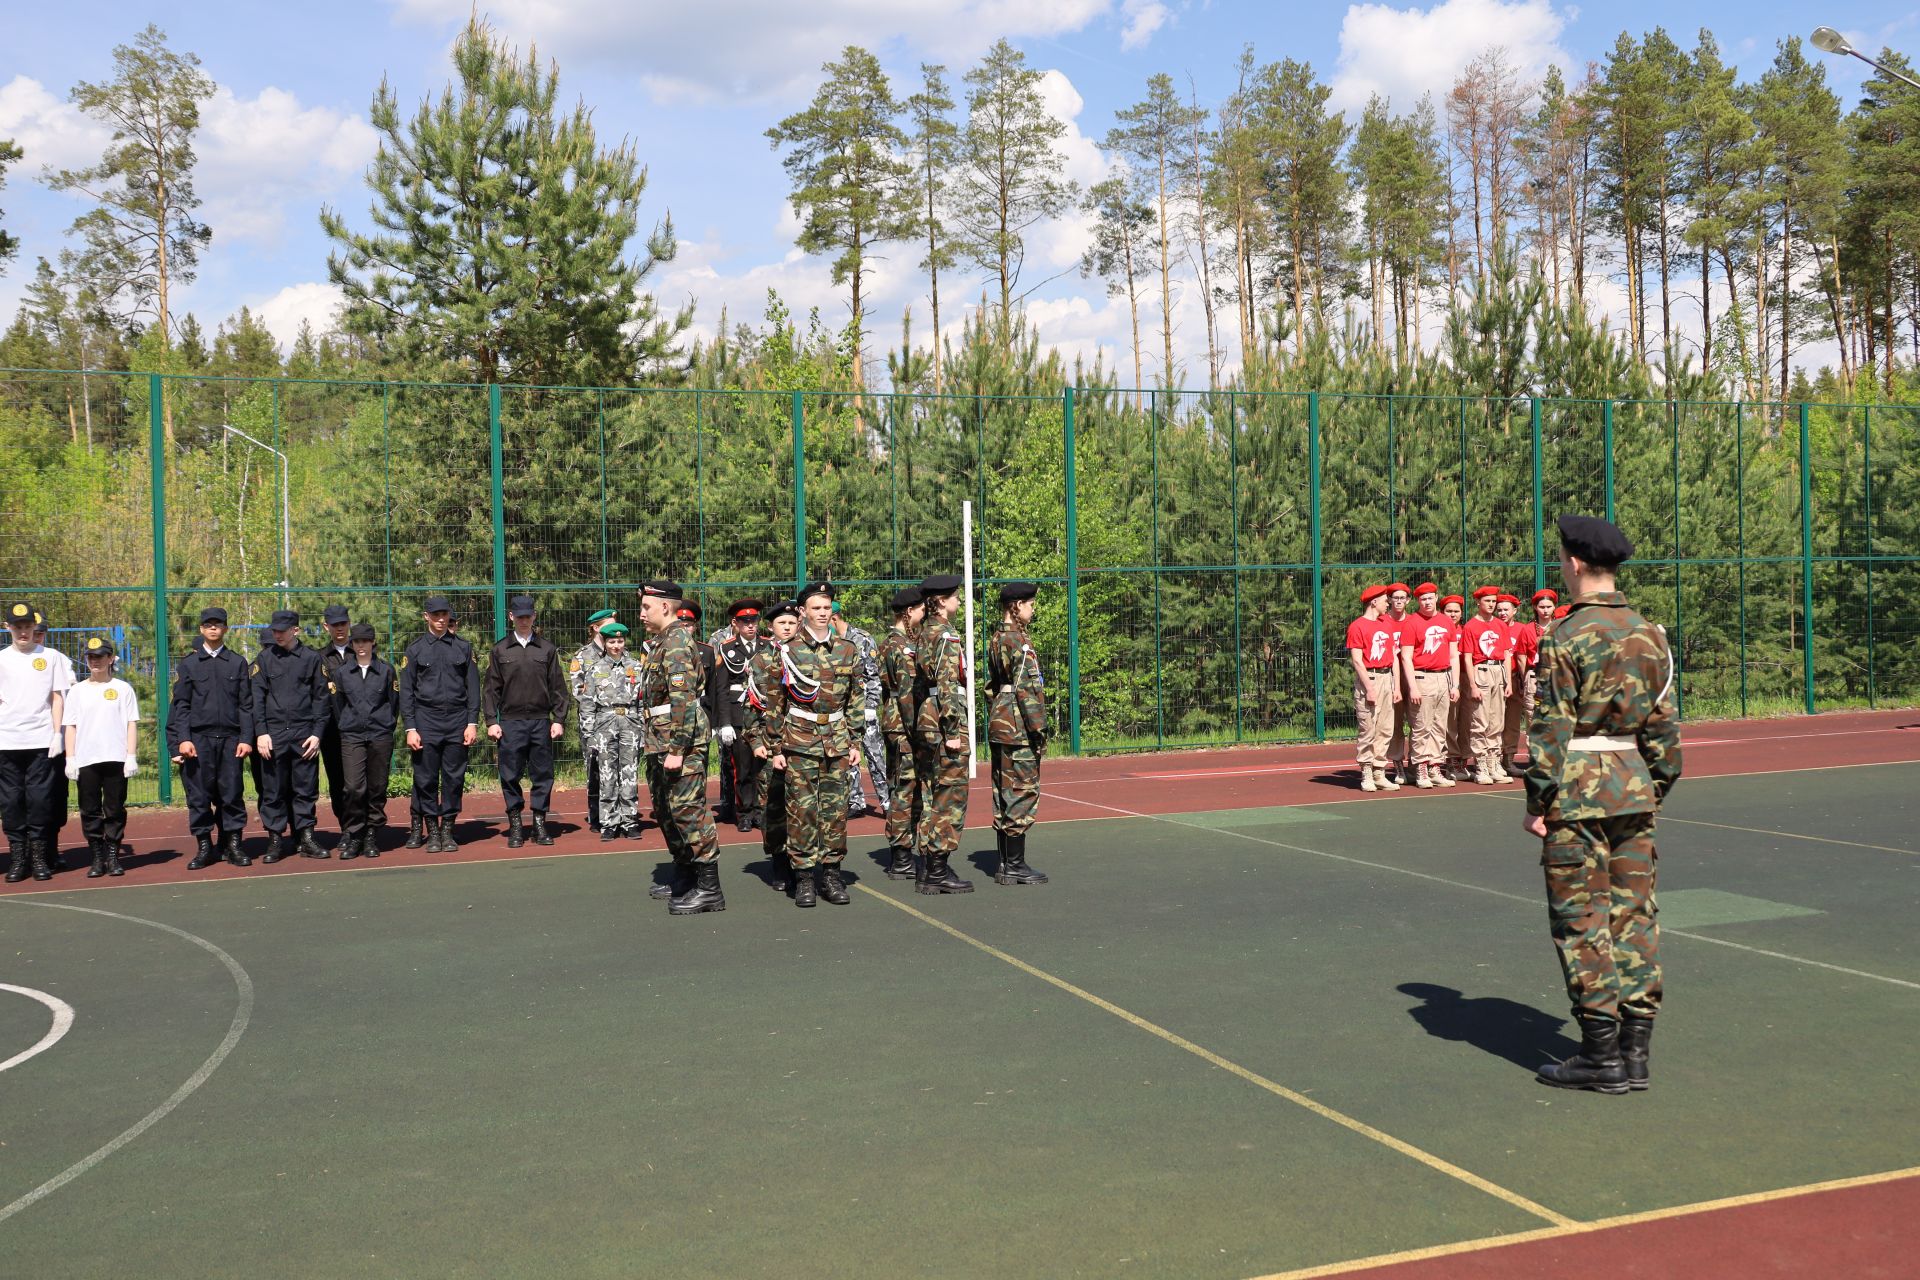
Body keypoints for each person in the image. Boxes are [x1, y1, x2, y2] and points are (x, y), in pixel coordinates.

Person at [1524, 514, 1681, 1094]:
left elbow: (1550, 729)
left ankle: (1600, 1054)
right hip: (1634, 790)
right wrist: (1648, 786)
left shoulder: (1565, 635)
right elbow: (1665, 737)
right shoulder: (1650, 634)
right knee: (1635, 915)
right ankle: (1636, 1051)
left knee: (1582, 922)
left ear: (1573, 563)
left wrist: (1538, 801)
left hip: (1576, 793)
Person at [770, 581, 862, 909]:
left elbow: (855, 697)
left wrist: (855, 741)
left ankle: (832, 875)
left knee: (836, 812)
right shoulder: (788, 649)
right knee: (801, 812)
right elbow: (775, 701)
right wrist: (776, 747)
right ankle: (805, 878)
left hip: (837, 740)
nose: (822, 614)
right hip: (799, 740)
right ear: (802, 612)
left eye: (827, 608)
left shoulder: (847, 649)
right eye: (816, 608)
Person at [637, 580, 725, 915]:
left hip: (678, 741)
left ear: (664, 607)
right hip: (659, 738)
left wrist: (677, 749)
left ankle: (709, 889)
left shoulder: (676, 642)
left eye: (647, 607)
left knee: (689, 811)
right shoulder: (662, 642)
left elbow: (683, 700)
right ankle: (686, 874)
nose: (642, 613)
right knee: (666, 809)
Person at [169, 606, 254, 870]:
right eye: (208, 624)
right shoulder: (189, 664)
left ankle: (233, 845)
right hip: (199, 740)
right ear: (201, 629)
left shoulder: (238, 662)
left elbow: (246, 705)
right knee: (199, 796)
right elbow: (181, 705)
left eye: (218, 624)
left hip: (230, 740)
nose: (213, 628)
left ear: (226, 629)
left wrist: (246, 738)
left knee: (231, 795)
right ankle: (204, 847)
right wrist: (182, 739)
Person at [484, 594, 567, 849]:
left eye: (527, 616)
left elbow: (558, 687)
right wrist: (491, 721)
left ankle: (540, 824)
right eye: (519, 616)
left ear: (534, 617)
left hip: (540, 722)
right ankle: (517, 824)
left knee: (543, 775)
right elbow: (490, 689)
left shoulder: (547, 649)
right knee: (510, 775)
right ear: (511, 617)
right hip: (510, 723)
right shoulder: (500, 650)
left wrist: (559, 718)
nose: (523, 620)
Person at [399, 594, 481, 854]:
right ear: (426, 617)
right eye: (435, 615)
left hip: (457, 720)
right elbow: (406, 693)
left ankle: (448, 830)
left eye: (444, 614)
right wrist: (410, 727)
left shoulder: (463, 648)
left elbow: (474, 689)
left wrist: (472, 722)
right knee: (425, 779)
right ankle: (431, 830)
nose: (441, 619)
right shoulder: (414, 650)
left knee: (454, 779)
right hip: (426, 721)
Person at [2, 602, 74, 881]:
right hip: (7, 742)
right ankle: (18, 859)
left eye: (27, 627)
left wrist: (57, 734)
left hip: (42, 741)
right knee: (11, 802)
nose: (23, 632)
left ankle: (40, 858)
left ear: (35, 627)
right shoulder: (2, 659)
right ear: (7, 627)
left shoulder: (52, 657)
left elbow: (57, 697)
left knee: (40, 801)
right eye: (17, 627)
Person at [252, 610, 332, 863]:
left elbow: (321, 699)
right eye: (274, 630)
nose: (277, 635)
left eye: (282, 631)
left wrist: (317, 734)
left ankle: (306, 837)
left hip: (303, 735)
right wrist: (261, 733)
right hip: (273, 735)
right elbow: (256, 699)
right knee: (273, 791)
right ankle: (275, 840)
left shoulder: (311, 659)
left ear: (295, 630)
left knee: (305, 790)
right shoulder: (264, 659)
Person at [913, 574, 974, 894]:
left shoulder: (924, 632)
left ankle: (928, 868)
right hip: (943, 718)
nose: (959, 601)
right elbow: (949, 682)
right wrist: (952, 730)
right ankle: (937, 867)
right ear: (941, 601)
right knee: (950, 795)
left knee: (930, 792)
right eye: (955, 596)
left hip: (928, 717)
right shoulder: (946, 635)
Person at [987, 581, 1049, 884]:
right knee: (1022, 791)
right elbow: (1027, 689)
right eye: (1030, 604)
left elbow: (994, 685)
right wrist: (1039, 729)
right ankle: (1015, 864)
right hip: (1018, 726)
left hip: (1001, 720)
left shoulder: (997, 638)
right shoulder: (1019, 642)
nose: (1032, 609)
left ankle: (1005, 864)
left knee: (1003, 790)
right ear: (1017, 606)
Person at [62, 635, 139, 877]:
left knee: (115, 809)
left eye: (100, 657)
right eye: (90, 657)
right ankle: (97, 856)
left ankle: (113, 856)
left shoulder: (122, 688)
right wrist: (70, 758)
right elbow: (71, 726)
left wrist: (131, 755)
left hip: (115, 758)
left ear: (110, 659)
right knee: (90, 810)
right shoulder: (77, 691)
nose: (95, 661)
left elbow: (131, 724)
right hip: (87, 759)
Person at [743, 600, 800, 892]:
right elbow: (751, 707)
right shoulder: (760, 661)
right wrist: (755, 741)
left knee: (802, 806)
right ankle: (778, 861)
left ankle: (801, 860)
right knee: (772, 806)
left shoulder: (808, 656)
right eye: (782, 623)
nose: (788, 627)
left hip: (803, 740)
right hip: (769, 742)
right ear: (771, 627)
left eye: (792, 622)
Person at [329, 623, 399, 860]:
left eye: (365, 642)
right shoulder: (341, 673)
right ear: (352, 644)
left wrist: (386, 724)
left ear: (373, 643)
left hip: (380, 735)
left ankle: (371, 835)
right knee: (353, 787)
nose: (361, 646)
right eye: (357, 642)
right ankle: (355, 834)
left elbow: (394, 702)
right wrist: (347, 725)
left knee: (377, 787)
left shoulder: (387, 671)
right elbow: (337, 705)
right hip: (352, 736)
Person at [875, 586, 925, 880]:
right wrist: (917, 729)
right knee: (905, 790)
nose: (923, 615)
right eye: (920, 610)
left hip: (903, 722)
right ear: (908, 612)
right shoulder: (897, 645)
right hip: (904, 724)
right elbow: (906, 692)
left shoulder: (905, 641)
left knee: (912, 789)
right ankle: (902, 857)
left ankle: (906, 852)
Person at [580, 622, 644, 841]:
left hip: (630, 721)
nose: (616, 645)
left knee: (629, 773)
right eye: (612, 641)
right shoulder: (595, 669)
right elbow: (587, 704)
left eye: (620, 641)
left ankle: (630, 820)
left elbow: (643, 701)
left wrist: (643, 729)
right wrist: (589, 734)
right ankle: (608, 822)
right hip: (605, 722)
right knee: (607, 773)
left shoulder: (636, 667)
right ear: (605, 643)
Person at [831, 601, 888, 820]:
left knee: (875, 755)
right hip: (843, 709)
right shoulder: (830, 642)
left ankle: (887, 800)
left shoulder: (862, 639)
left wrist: (871, 706)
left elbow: (874, 677)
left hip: (864, 707)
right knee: (848, 756)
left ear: (834, 618)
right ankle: (855, 801)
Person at [1399, 583, 1457, 790]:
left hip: (1444, 678)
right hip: (1422, 678)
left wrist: (1455, 684)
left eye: (1430, 598)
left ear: (1436, 598)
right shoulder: (1411, 623)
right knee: (1422, 726)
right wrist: (1413, 686)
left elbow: (1453, 655)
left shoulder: (1446, 621)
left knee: (1440, 726)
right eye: (1423, 599)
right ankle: (1421, 767)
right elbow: (1406, 657)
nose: (1427, 602)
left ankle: (1435, 766)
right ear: (1418, 601)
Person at [711, 599, 761, 832]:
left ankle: (760, 810)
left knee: (762, 767)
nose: (750, 626)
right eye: (745, 621)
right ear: (736, 623)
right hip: (738, 713)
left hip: (762, 714)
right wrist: (725, 723)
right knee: (741, 768)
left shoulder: (769, 646)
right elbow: (721, 689)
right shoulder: (727, 648)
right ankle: (744, 813)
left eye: (754, 621)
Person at [1344, 584, 1399, 793]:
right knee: (1368, 728)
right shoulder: (1357, 626)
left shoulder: (1386, 623)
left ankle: (1379, 772)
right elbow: (1357, 661)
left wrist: (1395, 686)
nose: (1389, 603)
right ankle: (1366, 772)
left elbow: (1393, 655)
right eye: (1386, 600)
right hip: (1371, 678)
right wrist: (1370, 687)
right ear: (1374, 602)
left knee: (1386, 728)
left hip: (1387, 678)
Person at [569, 609, 617, 832]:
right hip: (594, 721)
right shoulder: (583, 656)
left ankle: (617, 815)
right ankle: (596, 815)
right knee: (595, 768)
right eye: (608, 626)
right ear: (596, 628)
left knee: (618, 768)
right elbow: (578, 690)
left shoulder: (619, 653)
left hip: (617, 721)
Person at [33, 615, 72, 869]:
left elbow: (70, 695)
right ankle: (29, 851)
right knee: (29, 799)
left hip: (56, 738)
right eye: (32, 631)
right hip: (27, 739)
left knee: (55, 796)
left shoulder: (57, 658)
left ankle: (51, 848)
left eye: (40, 632)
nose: (37, 637)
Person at [1461, 585, 1508, 784]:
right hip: (1481, 671)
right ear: (1479, 603)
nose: (1491, 604)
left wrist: (1508, 681)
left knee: (1497, 720)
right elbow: (1468, 657)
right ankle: (1480, 765)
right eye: (1487, 601)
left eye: (1493, 601)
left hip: (1498, 672)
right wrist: (1472, 684)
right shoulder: (1471, 626)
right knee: (1480, 720)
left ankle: (1493, 762)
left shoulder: (1500, 625)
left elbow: (1506, 654)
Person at [317, 604, 355, 829]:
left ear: (349, 624)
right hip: (332, 729)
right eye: (334, 625)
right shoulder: (320, 658)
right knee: (337, 780)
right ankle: (346, 826)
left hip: (359, 728)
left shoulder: (361, 651)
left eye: (343, 623)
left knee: (360, 782)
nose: (339, 628)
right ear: (326, 627)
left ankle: (363, 827)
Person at [1495, 593, 1530, 779]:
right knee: (1494, 721)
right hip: (1494, 680)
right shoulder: (1491, 627)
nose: (1502, 613)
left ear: (1514, 611)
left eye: (1505, 610)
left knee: (1512, 723)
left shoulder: (1521, 629)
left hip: (1515, 680)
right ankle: (1491, 760)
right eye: (1499, 609)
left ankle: (1508, 759)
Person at [1382, 583, 1414, 784]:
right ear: (1390, 600)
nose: (1399, 601)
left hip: (1414, 677)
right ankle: (1397, 763)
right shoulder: (1382, 621)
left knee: (1418, 722)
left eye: (1403, 598)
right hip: (1390, 678)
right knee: (1394, 724)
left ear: (1408, 600)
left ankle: (1417, 764)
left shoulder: (1414, 621)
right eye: (1396, 598)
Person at [1439, 594, 1471, 781]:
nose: (1452, 614)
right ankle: (1450, 762)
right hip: (1448, 677)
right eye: (1448, 611)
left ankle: (1463, 761)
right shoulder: (1440, 630)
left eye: (1456, 611)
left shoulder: (1466, 630)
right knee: (1450, 721)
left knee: (1466, 722)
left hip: (1467, 678)